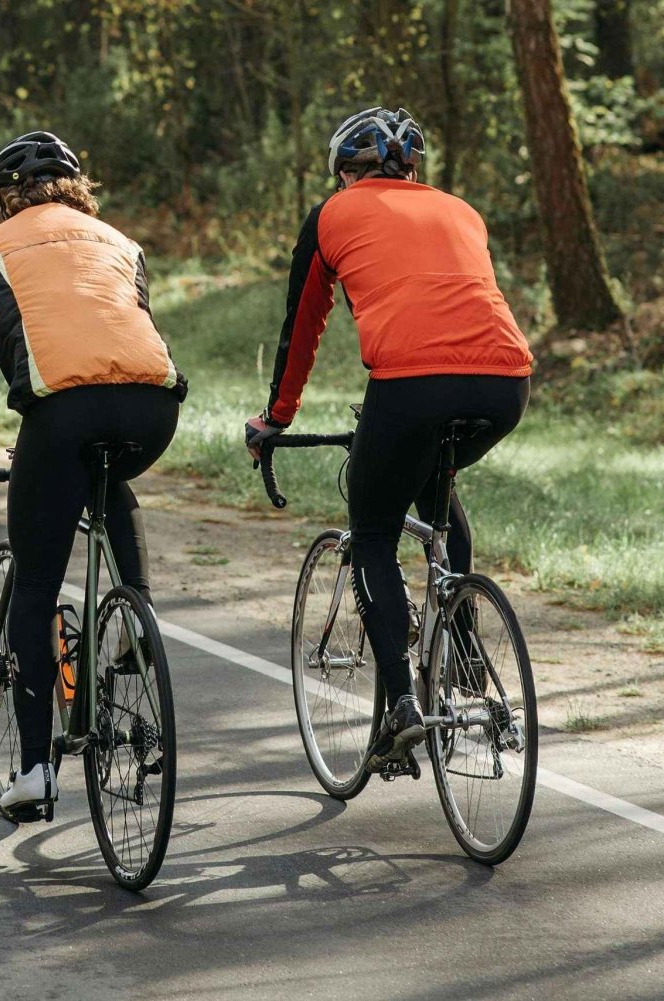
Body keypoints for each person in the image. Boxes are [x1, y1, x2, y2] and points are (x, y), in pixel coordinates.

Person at [244, 107, 533, 769]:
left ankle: (401, 703)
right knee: (438, 495)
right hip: (505, 381)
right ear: (412, 167)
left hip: (409, 384)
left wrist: (277, 417)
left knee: (372, 533)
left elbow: (304, 323)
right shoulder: (460, 210)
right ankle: (461, 646)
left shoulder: (332, 215)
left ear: (347, 171)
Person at [0, 131, 187, 813]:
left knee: (33, 588)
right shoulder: (122, 243)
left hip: (60, 416)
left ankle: (35, 768)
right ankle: (135, 609)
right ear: (76, 187)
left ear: (9, 197)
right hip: (156, 411)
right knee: (105, 476)